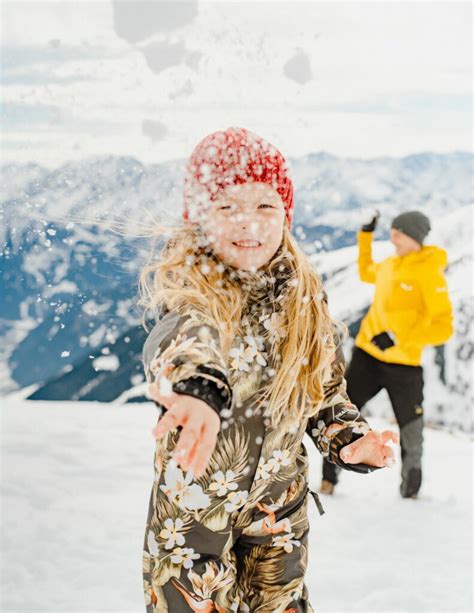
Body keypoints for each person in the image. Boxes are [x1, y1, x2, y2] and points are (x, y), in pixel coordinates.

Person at [138, 127, 398, 612]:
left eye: (265, 207)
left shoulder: (303, 301)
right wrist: (198, 390)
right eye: (228, 208)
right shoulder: (192, 294)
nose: (249, 224)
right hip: (193, 522)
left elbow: (322, 393)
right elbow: (182, 342)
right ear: (199, 219)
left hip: (279, 517)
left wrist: (349, 439)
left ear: (286, 215)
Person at [320, 210, 453, 500]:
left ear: (414, 235)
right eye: (392, 230)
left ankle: (410, 493)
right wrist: (365, 236)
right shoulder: (392, 264)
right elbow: (367, 270)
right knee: (341, 413)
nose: (393, 235)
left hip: (404, 364)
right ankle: (328, 480)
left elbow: (443, 327)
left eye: (399, 231)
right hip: (368, 356)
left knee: (411, 430)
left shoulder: (429, 271)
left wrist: (398, 338)